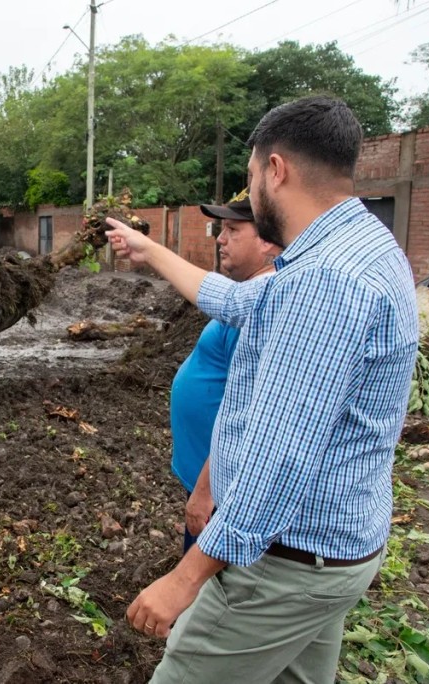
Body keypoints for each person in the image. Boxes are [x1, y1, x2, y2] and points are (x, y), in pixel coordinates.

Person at [106, 95, 418, 683]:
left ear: (276, 170)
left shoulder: (325, 282)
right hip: (332, 554)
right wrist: (149, 250)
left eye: (250, 178)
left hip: (285, 567)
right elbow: (236, 300)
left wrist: (185, 578)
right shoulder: (358, 248)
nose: (250, 195)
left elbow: (277, 460)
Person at [173, 191, 281, 555]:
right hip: (210, 480)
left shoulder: (257, 311)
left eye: (233, 229)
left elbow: (249, 414)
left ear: (266, 240)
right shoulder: (245, 296)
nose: (220, 239)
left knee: (203, 588)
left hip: (222, 490)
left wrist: (205, 493)